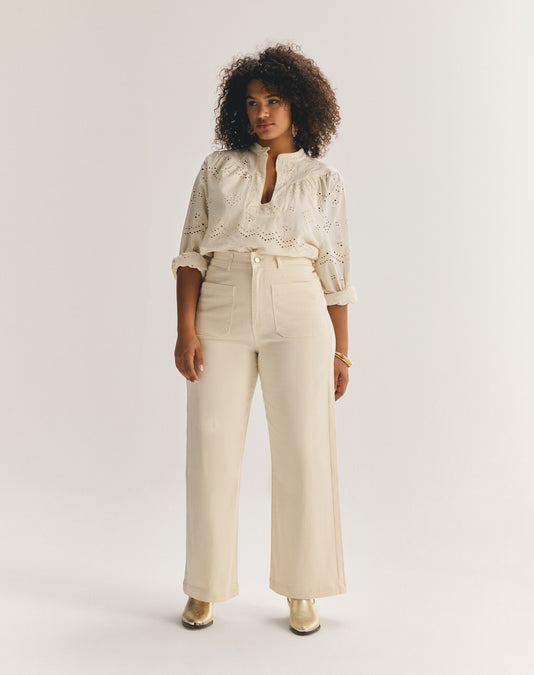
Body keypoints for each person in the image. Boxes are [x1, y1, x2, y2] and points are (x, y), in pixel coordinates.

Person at [172, 42, 357, 635]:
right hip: (222, 304)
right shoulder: (217, 169)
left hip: (299, 309)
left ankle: (304, 587)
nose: (262, 112)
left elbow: (335, 273)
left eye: (274, 100)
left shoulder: (324, 181)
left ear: (298, 104)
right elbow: (191, 253)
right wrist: (185, 328)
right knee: (212, 447)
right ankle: (205, 587)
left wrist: (341, 350)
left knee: (304, 449)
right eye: (252, 103)